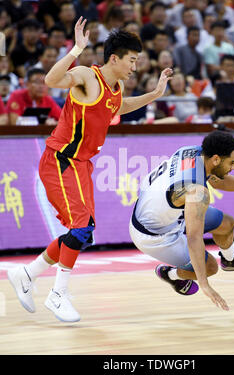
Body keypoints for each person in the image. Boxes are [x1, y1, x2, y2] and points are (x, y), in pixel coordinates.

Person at [7, 18, 172, 323]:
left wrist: (154, 95)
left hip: (81, 165)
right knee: (80, 228)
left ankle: (27, 274)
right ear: (114, 57)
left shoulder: (117, 86)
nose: (135, 67)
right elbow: (51, 81)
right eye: (132, 60)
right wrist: (76, 49)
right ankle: (58, 295)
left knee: (82, 233)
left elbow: (118, 107)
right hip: (60, 159)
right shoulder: (86, 75)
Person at [129, 130, 234, 310]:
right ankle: (170, 275)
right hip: (153, 235)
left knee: (226, 223)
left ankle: (231, 259)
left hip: (162, 210)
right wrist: (205, 284)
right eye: (231, 163)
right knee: (209, 267)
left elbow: (218, 181)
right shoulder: (196, 191)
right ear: (216, 159)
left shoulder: (193, 152)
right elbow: (194, 238)